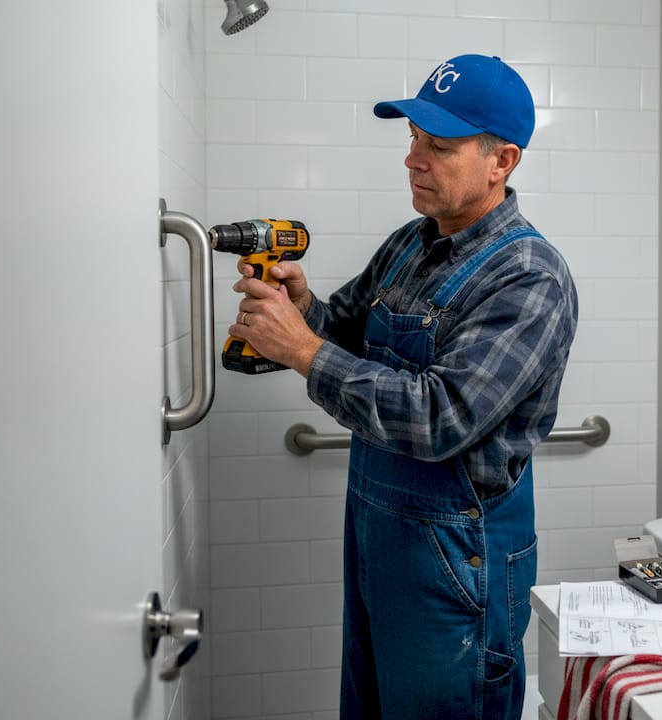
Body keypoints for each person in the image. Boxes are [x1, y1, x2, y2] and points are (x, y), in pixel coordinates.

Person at [227, 54, 579, 719]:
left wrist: (303, 351)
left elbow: (440, 417)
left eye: (439, 147)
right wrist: (306, 313)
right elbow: (350, 338)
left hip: (456, 563)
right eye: (413, 140)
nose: (413, 160)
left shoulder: (530, 277)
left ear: (502, 161)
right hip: (379, 539)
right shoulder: (407, 245)